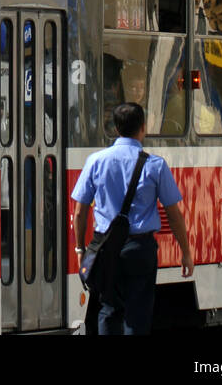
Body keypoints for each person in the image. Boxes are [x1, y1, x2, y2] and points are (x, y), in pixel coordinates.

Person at [72, 100, 193, 335]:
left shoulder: (95, 161)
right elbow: (174, 214)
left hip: (106, 247)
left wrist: (80, 250)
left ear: (116, 128)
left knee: (108, 309)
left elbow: (79, 212)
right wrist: (185, 252)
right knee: (138, 315)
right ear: (143, 127)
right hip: (140, 247)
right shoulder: (155, 165)